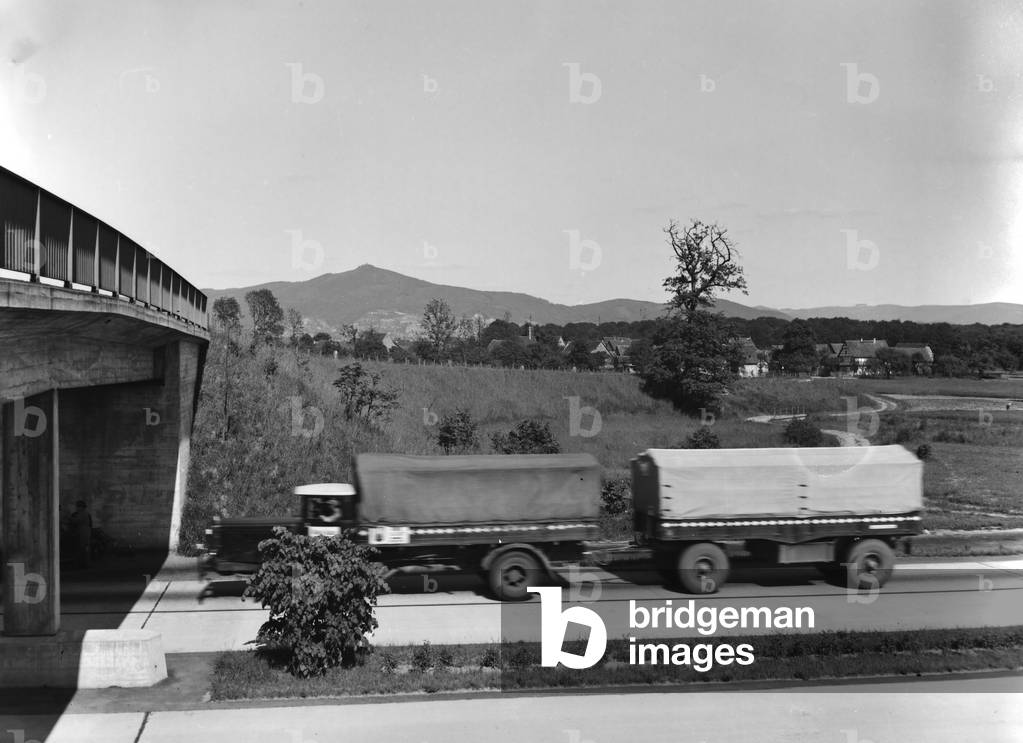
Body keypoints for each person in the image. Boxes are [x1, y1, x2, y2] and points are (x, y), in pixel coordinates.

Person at [68, 500, 93, 568]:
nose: (77, 508)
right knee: (84, 548)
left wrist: (68, 517)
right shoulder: (83, 513)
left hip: (84, 532)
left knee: (84, 548)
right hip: (84, 532)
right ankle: (85, 563)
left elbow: (76, 521)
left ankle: (85, 564)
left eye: (78, 506)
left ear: (82, 507)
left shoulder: (83, 513)